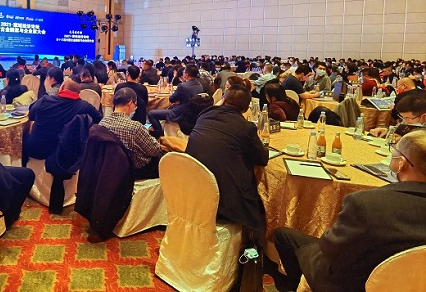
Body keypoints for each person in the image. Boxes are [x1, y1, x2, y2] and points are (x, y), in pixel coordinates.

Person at [272, 130, 426, 292]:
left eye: (394, 148)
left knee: (283, 235)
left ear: (401, 163)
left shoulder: (367, 204)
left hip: (351, 284)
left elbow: (330, 249)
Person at [185, 85, 269, 245]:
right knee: (258, 205)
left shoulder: (204, 116)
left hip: (193, 189)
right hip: (225, 202)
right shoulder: (245, 127)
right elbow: (262, 159)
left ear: (223, 100)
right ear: (246, 109)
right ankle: (252, 248)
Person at [25, 79, 102, 160]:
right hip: (62, 154)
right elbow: (99, 119)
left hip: (36, 149)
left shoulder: (44, 100)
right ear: (79, 93)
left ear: (61, 88)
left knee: (22, 138)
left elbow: (31, 116)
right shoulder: (83, 106)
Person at [99, 88, 162, 179]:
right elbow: (154, 150)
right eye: (135, 105)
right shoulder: (134, 127)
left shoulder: (102, 123)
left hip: (111, 167)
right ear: (130, 104)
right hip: (135, 170)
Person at [148, 64, 203, 138]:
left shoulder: (183, 86)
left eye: (184, 72)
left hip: (180, 113)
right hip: (193, 113)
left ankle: (160, 135)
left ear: (186, 75)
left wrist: (178, 99)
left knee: (151, 114)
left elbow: (171, 99)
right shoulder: (199, 85)